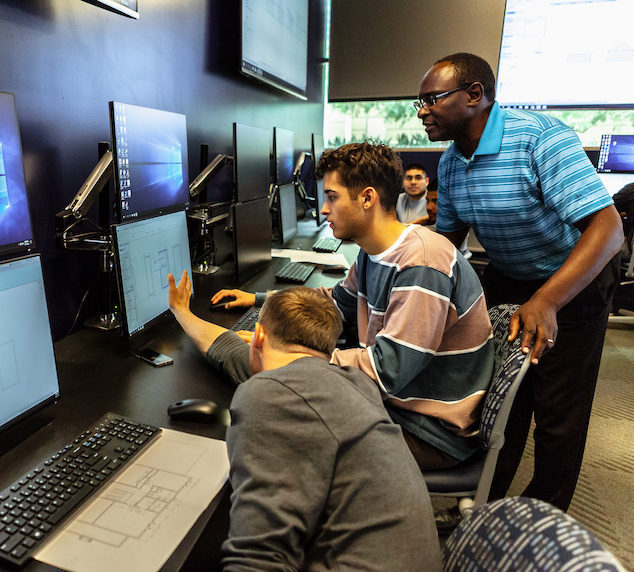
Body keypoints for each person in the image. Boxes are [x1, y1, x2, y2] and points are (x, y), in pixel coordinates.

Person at [416, 52, 624, 511]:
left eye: (433, 98)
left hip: (575, 279)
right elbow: (448, 243)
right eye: (419, 101)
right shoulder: (451, 163)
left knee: (557, 408)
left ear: (475, 96)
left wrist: (548, 301)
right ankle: (489, 496)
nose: (422, 110)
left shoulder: (538, 139)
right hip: (511, 276)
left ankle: (542, 515)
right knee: (504, 395)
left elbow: (608, 228)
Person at [213, 141, 494, 471]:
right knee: (277, 400)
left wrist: (295, 359)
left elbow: (387, 371)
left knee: (280, 431)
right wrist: (261, 300)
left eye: (331, 197)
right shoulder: (373, 252)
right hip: (397, 406)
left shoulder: (422, 263)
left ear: (367, 198)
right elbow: (337, 302)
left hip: (428, 431)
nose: (323, 209)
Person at [167, 278, 442, 571]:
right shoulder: (349, 382)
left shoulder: (270, 395)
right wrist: (181, 311)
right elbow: (230, 350)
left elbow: (260, 558)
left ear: (257, 336)